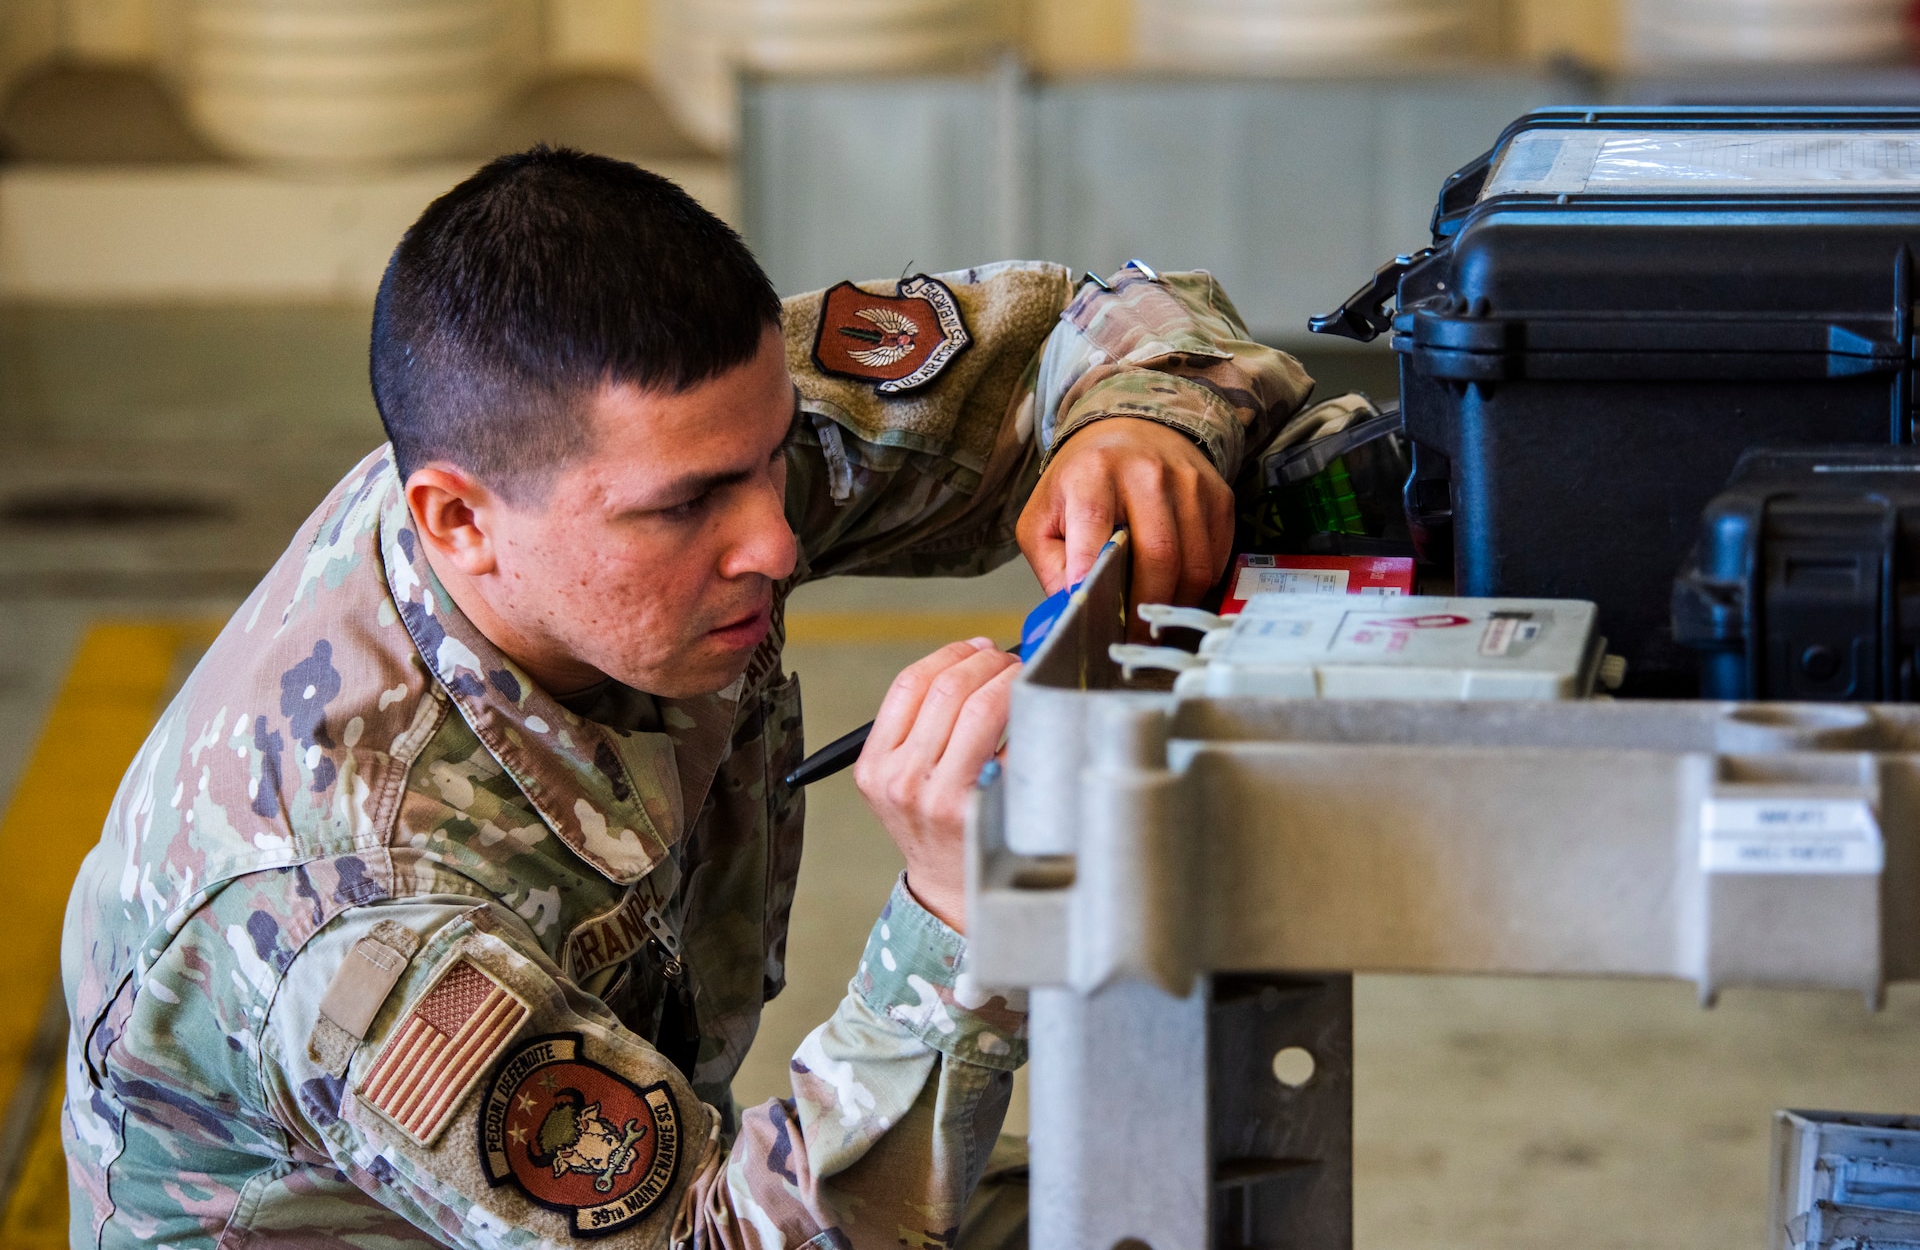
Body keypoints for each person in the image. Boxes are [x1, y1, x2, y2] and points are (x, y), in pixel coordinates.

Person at [60, 147, 1311, 1248]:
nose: (772, 539)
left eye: (772, 461)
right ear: (457, 517)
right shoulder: (363, 922)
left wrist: (1135, 430)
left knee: (1161, 1210)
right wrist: (954, 915)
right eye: (690, 505)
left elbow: (1086, 329)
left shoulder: (623, 455)